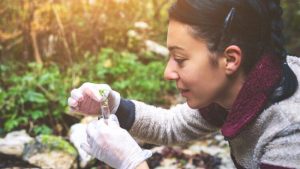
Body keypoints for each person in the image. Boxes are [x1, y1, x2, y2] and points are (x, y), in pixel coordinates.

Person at [68, 0, 300, 168]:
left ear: (230, 59)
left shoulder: (289, 132)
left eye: (180, 59)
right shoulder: (239, 89)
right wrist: (112, 104)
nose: (168, 72)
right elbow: (170, 126)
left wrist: (133, 163)